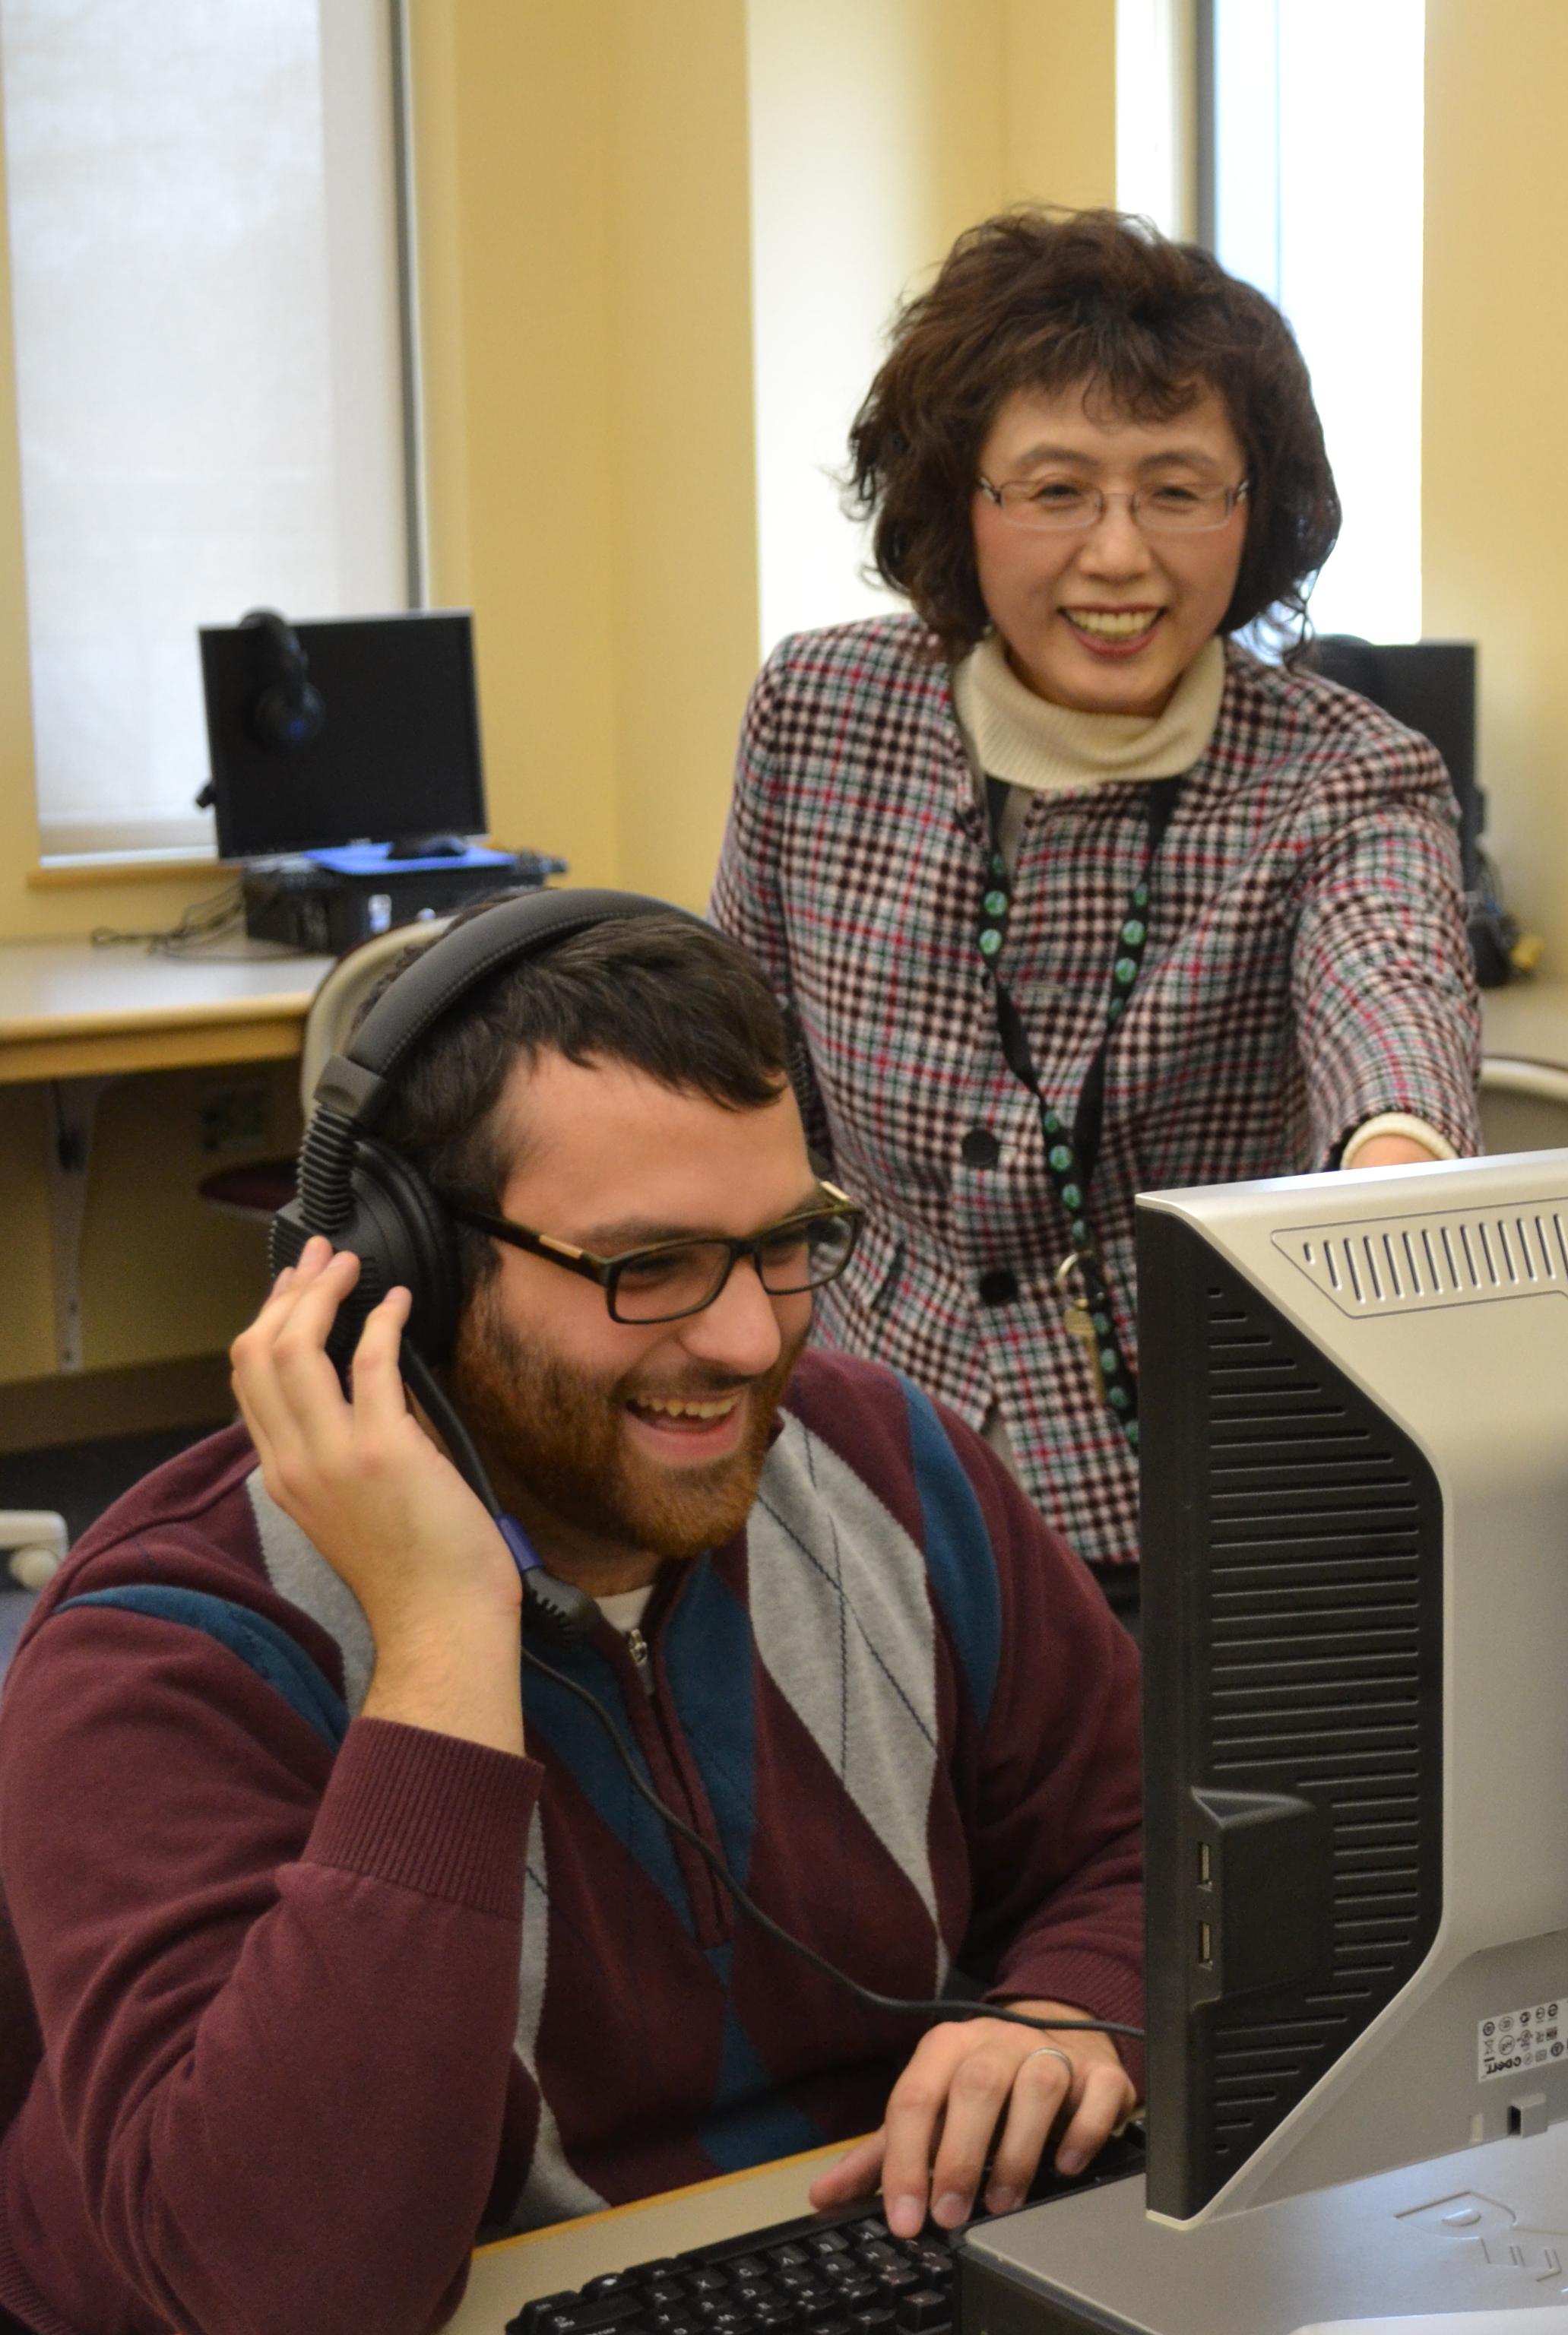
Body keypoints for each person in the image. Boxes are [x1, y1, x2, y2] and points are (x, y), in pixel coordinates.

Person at [0, 901, 1143, 2335]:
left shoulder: (888, 1474)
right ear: (403, 1269)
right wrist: (439, 1640)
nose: (742, 1340)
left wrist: (1074, 2006)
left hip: (819, 2267)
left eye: (782, 1242)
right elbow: (285, 2293)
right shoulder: (168, 1647)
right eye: (644, 1265)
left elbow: (1141, 1835)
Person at [714, 208, 1481, 1600]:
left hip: (1184, 1498)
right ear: (961, 500)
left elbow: (1394, 999)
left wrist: (1396, 1171)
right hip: (840, 1454)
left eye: (1179, 489)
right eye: (1057, 489)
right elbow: (738, 1085)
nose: (1119, 556)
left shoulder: (1346, 773)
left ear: (1253, 514)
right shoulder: (818, 711)